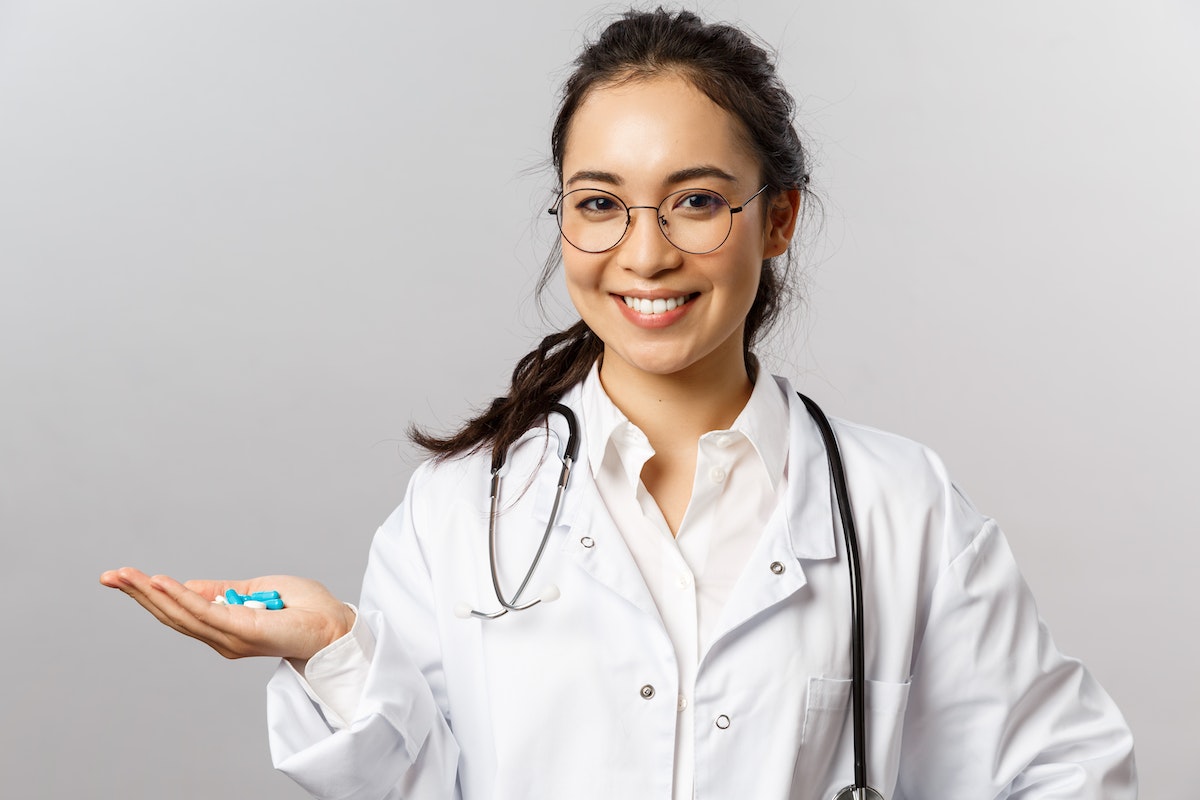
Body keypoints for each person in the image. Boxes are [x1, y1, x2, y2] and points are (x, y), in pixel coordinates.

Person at [100, 8, 1136, 799]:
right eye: (600, 203)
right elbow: (413, 781)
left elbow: (1067, 771)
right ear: (564, 218)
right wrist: (332, 644)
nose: (644, 252)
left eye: (694, 200)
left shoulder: (899, 507)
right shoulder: (461, 509)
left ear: (776, 218)